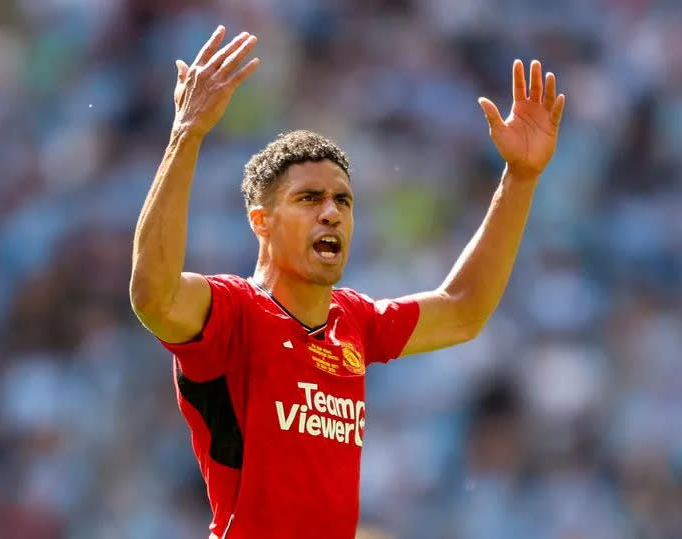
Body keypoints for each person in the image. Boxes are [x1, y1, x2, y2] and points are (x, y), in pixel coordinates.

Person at [129, 25, 564, 539]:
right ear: (261, 221)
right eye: (309, 199)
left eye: (343, 200)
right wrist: (187, 133)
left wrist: (520, 177)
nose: (332, 213)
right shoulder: (233, 311)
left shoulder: (353, 320)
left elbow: (464, 308)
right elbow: (152, 294)